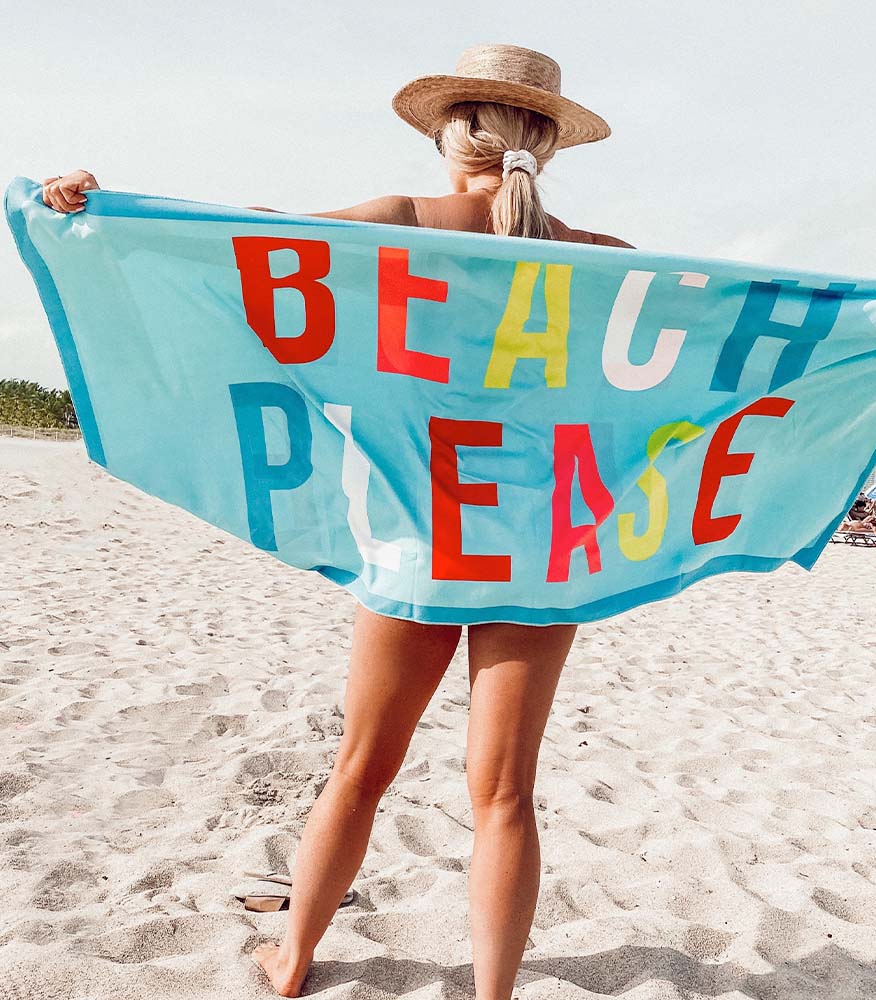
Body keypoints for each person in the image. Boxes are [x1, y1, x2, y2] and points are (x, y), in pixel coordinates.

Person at [42, 44, 632, 1000]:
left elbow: (250, 236)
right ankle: (493, 996)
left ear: (451, 134)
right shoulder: (603, 260)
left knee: (359, 769)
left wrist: (105, 205)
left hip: (419, 530)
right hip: (538, 544)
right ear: (547, 146)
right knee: (506, 795)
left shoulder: (403, 221)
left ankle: (293, 960)